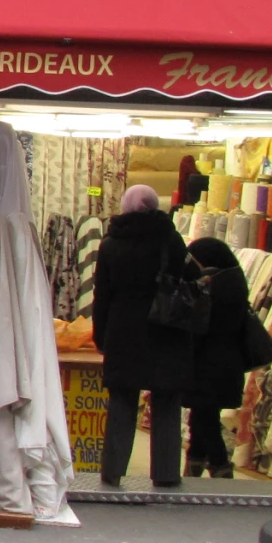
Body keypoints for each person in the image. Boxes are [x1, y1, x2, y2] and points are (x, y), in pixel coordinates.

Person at [91, 184, 193, 487]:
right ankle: (165, 473)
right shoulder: (171, 241)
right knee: (165, 403)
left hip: (124, 332)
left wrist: (101, 337)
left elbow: (103, 296)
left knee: (122, 400)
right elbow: (188, 282)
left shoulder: (110, 245)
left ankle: (112, 471)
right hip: (165, 329)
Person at [183, 235, 272, 479]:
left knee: (205, 416)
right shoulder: (234, 281)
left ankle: (220, 465)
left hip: (209, 362)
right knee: (203, 412)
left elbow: (203, 325)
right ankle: (194, 462)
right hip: (226, 362)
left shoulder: (211, 286)